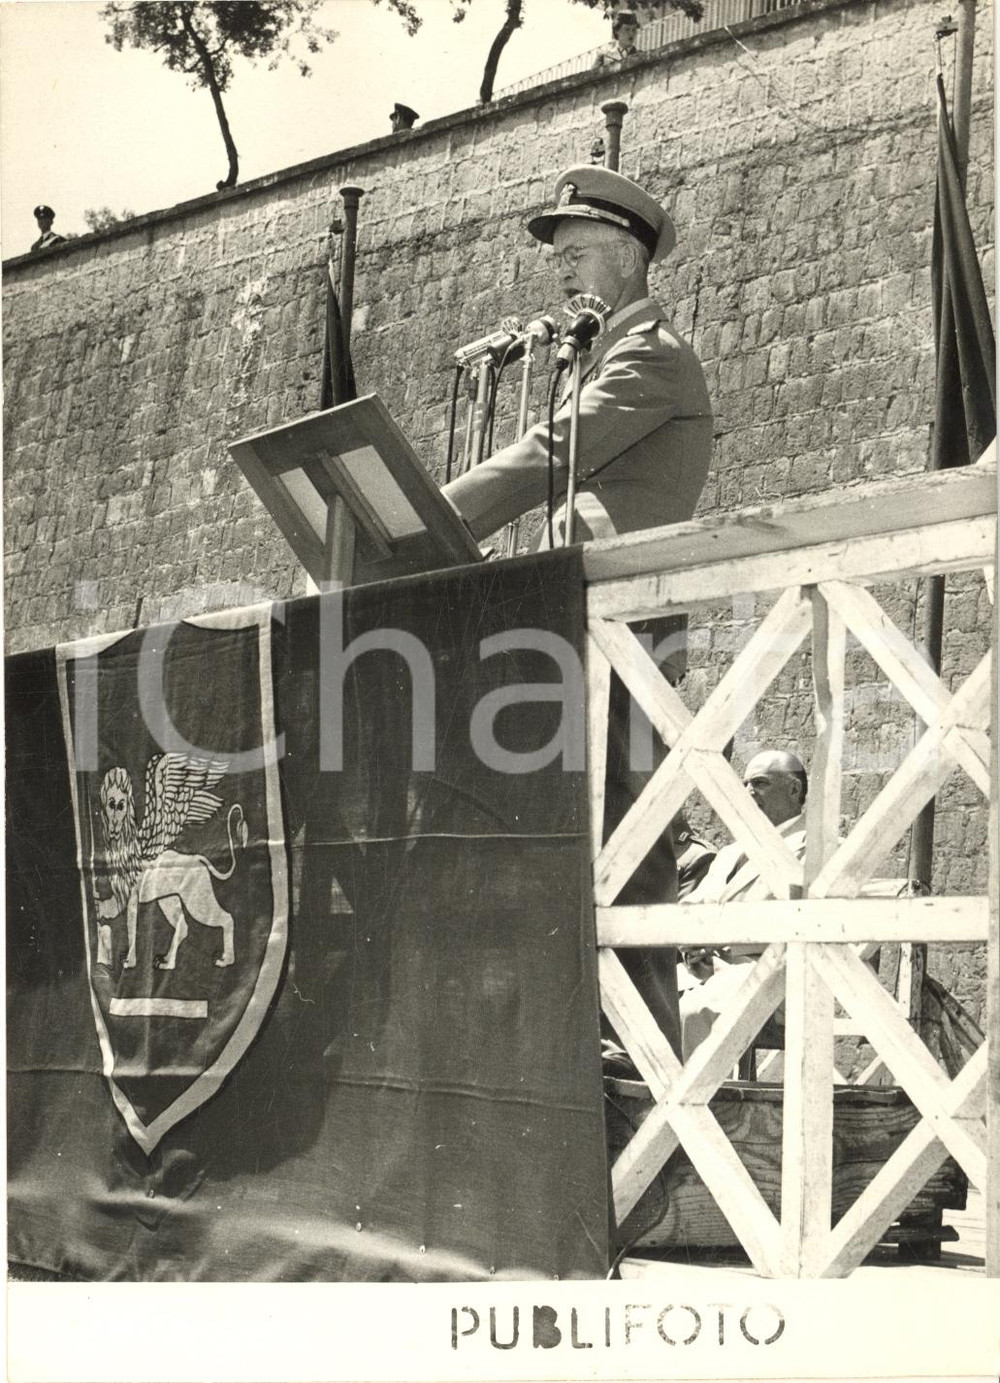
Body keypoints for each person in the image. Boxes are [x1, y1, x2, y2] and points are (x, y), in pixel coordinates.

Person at [443, 164, 713, 1055]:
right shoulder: (593, 356)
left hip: (628, 632)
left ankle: (648, 1067)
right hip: (579, 626)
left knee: (632, 853)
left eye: (579, 255)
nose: (563, 274)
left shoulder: (652, 356)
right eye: (559, 259)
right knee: (583, 850)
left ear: (629, 257)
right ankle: (591, 1059)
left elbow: (552, 452)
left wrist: (435, 516)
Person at [679, 750, 808, 1058]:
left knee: (693, 1012)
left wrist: (718, 940)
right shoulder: (730, 853)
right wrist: (691, 943)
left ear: (793, 789)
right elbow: (695, 906)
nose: (748, 792)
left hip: (773, 974)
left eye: (760, 783)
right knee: (640, 1004)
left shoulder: (815, 848)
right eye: (745, 784)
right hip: (707, 971)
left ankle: (696, 1091)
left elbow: (800, 921)